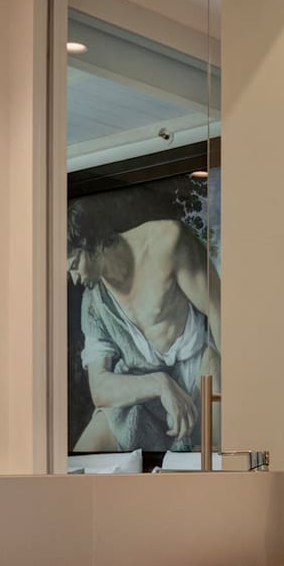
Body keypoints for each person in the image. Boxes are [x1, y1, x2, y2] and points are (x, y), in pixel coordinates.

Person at [69, 190, 220, 452]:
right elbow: (100, 387)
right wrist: (159, 383)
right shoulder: (94, 301)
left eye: (74, 265)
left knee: (218, 463)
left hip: (200, 377)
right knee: (83, 456)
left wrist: (217, 358)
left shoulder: (166, 242)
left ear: (89, 243)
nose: (74, 278)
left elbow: (221, 312)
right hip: (146, 393)